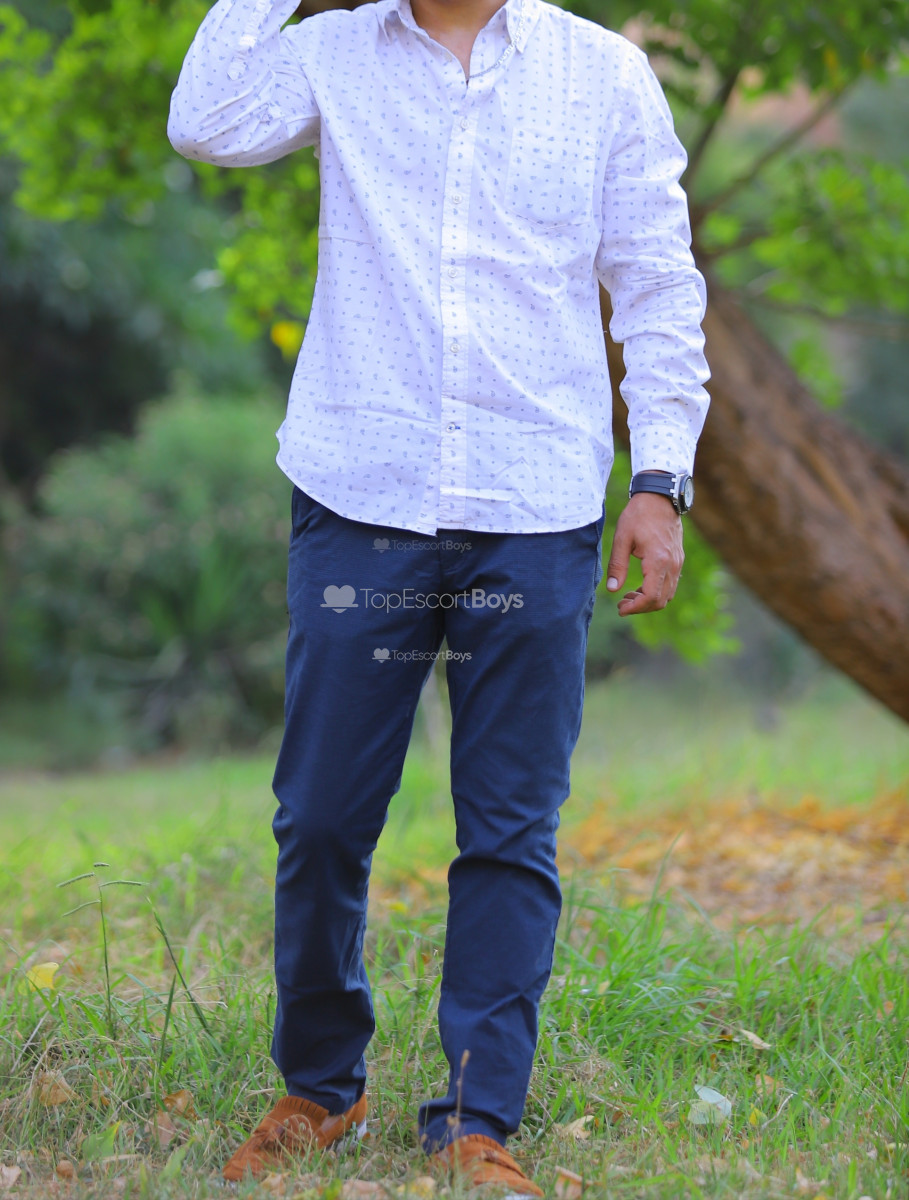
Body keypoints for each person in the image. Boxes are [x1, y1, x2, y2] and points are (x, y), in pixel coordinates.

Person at [168, 0, 709, 1189]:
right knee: (320, 815)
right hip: (363, 499)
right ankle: (321, 1085)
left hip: (535, 507)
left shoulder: (604, 74)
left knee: (509, 828)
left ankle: (476, 1119)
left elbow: (656, 282)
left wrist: (660, 478)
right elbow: (205, 121)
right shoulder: (332, 54)